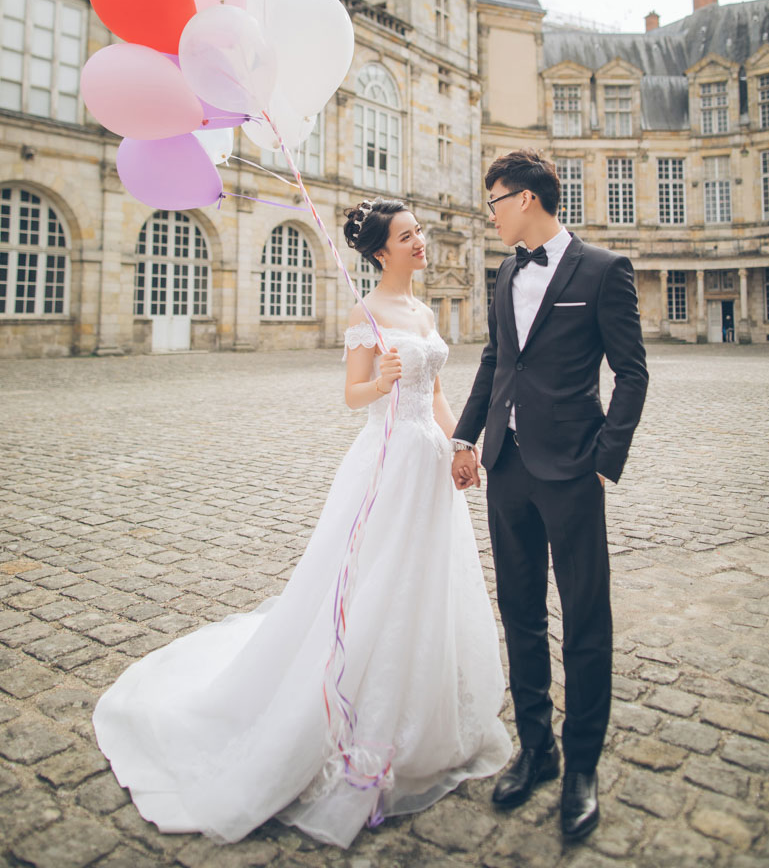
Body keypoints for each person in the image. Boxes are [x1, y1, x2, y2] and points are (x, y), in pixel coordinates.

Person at [93, 198, 511, 849]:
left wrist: (461, 445)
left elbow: (434, 394)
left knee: (427, 584)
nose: (420, 242)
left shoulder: (425, 313)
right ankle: (357, 723)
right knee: (374, 585)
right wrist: (381, 382)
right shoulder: (363, 312)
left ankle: (428, 712)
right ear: (381, 251)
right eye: (408, 236)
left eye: (419, 233)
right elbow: (352, 395)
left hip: (429, 463)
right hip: (385, 465)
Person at [451, 150, 648, 842]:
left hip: (571, 472)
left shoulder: (601, 271)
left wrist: (604, 459)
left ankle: (582, 768)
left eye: (495, 201)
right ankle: (537, 749)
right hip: (506, 470)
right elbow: (495, 361)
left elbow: (632, 373)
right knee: (522, 614)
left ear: (527, 199)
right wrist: (464, 439)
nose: (492, 213)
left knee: (587, 622)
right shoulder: (505, 271)